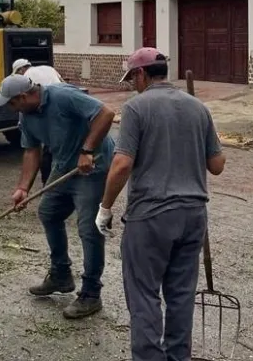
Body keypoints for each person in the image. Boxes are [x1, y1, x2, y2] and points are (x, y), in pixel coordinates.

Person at [97, 48, 226, 361]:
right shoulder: (198, 108)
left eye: (132, 79)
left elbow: (121, 165)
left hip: (151, 217)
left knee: (143, 295)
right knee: (181, 296)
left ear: (141, 74)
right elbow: (218, 164)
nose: (131, 85)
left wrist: (105, 207)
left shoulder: (137, 108)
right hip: (193, 215)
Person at [0, 74, 116, 319]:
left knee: (89, 228)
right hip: (63, 166)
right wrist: (23, 188)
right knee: (48, 212)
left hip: (92, 167)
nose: (10, 108)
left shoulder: (63, 96)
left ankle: (91, 293)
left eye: (11, 103)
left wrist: (87, 150)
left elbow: (106, 113)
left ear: (24, 96)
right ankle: (61, 274)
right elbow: (31, 150)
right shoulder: (26, 115)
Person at [10, 58, 64, 185]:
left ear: (21, 69)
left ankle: (49, 184)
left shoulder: (26, 77)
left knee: (48, 150)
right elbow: (62, 83)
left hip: (47, 112)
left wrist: (21, 123)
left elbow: (24, 100)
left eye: (18, 73)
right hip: (61, 109)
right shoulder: (48, 68)